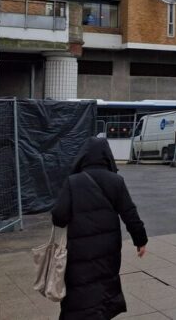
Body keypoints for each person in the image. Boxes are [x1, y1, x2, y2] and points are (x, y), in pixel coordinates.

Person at [51, 137, 147, 319]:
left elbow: (59, 217)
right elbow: (130, 214)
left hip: (79, 253)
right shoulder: (116, 181)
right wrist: (140, 240)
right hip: (108, 250)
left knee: (80, 290)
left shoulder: (73, 182)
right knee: (104, 287)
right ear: (107, 156)